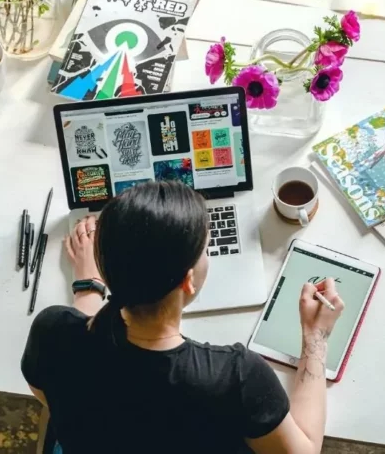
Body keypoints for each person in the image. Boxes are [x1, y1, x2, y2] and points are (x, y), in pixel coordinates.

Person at [21, 181, 345, 454]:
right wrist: (315, 338)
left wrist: (87, 286)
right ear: (188, 281)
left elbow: (49, 393)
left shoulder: (52, 332)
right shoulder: (235, 377)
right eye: (205, 249)